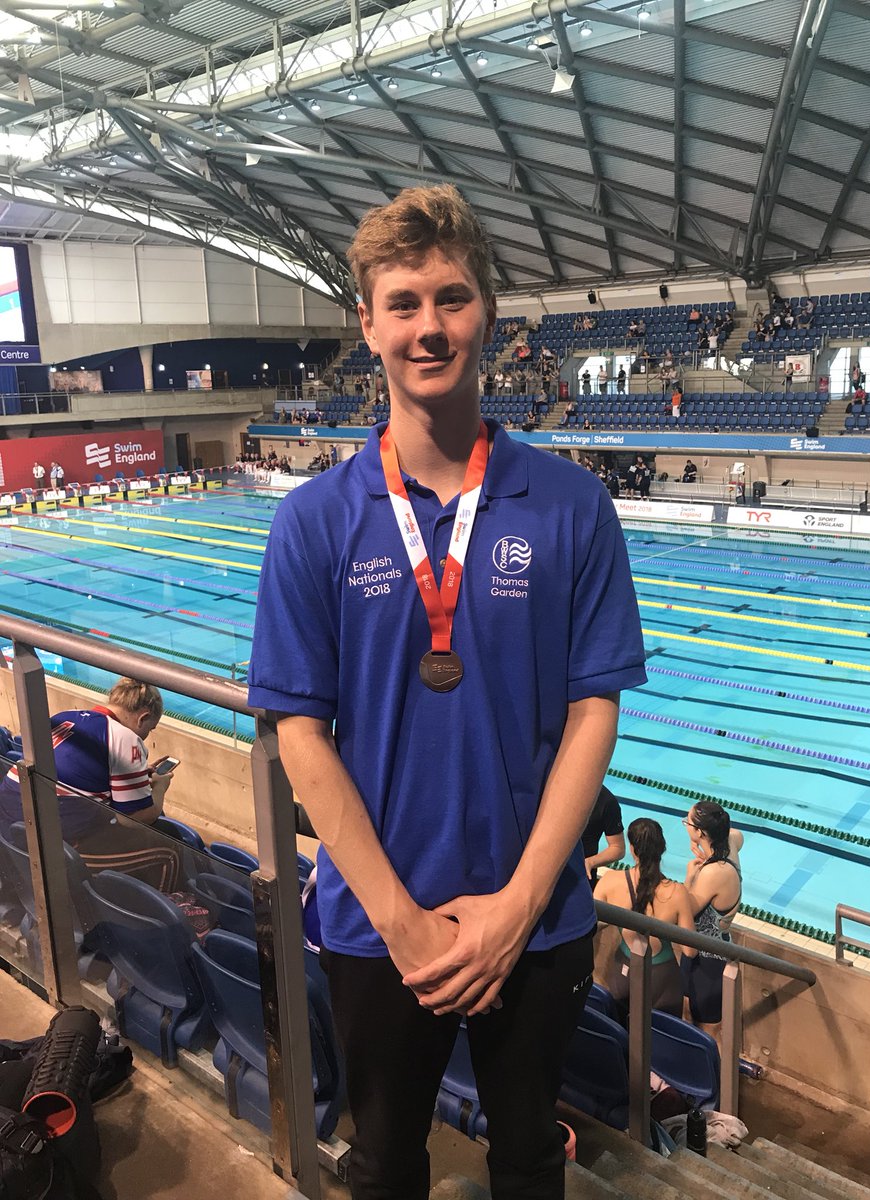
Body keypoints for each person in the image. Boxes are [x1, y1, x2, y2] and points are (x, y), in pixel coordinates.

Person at [247, 183, 647, 1200]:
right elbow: (300, 727)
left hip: (539, 922)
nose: (431, 326)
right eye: (407, 302)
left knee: (526, 1161)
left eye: (453, 298)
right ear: (368, 324)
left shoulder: (571, 506)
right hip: (378, 925)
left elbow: (595, 712)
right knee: (384, 1167)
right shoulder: (313, 523)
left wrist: (514, 908)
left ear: (490, 318)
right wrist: (401, 920)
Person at [0, 678, 179, 891]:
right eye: (150, 729)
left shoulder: (62, 717)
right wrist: (160, 787)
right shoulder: (125, 738)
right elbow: (133, 819)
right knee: (171, 850)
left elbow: (74, 772)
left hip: (10, 832)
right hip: (55, 847)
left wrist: (135, 776)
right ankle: (167, 914)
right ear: (143, 718)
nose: (146, 736)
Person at [594, 818, 696, 1019]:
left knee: (622, 1033)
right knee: (662, 1039)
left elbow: (590, 926)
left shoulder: (609, 881)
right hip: (663, 979)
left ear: (632, 849)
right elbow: (690, 951)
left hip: (624, 973)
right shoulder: (677, 893)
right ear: (663, 848)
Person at [681, 801, 744, 1042]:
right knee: (688, 1019)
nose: (685, 826)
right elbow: (737, 834)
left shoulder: (713, 873)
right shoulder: (730, 844)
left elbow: (685, 910)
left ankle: (715, 1080)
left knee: (708, 1034)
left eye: (687, 823)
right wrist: (699, 843)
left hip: (710, 962)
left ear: (700, 831)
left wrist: (690, 876)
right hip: (699, 954)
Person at [580, 784, 625, 887]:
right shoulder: (558, 789)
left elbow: (618, 848)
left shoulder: (607, 801)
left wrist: (590, 862)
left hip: (582, 875)